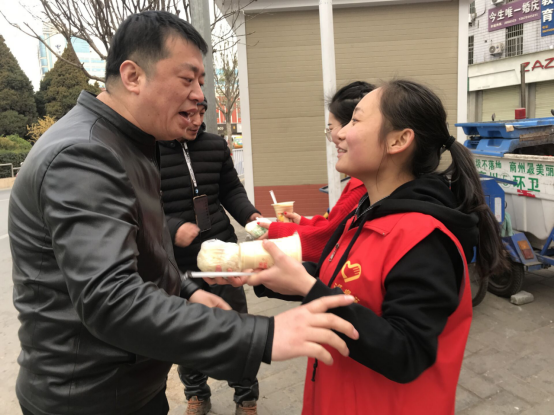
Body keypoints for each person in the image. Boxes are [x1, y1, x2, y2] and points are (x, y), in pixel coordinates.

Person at [8, 11, 359, 415]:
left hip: (129, 385)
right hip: (89, 397)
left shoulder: (132, 144)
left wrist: (187, 292)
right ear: (133, 76)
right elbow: (111, 298)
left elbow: (142, 252)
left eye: (201, 82)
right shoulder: (83, 155)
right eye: (187, 79)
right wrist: (263, 335)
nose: (198, 96)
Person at [245, 80, 506, 415]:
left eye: (355, 120)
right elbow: (343, 284)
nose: (339, 134)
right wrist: (271, 272)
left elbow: (406, 352)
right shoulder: (366, 213)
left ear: (398, 140)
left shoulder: (424, 238)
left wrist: (308, 288)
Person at [159, 100, 262, 415]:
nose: (196, 121)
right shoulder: (148, 150)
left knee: (237, 328)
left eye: (201, 113)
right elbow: (141, 207)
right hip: (180, 264)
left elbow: (231, 190)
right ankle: (196, 394)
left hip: (223, 254)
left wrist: (252, 217)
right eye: (187, 114)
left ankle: (246, 397)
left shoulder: (215, 145)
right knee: (186, 334)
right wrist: (172, 228)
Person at [259, 82, 374, 263]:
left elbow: (328, 240)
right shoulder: (360, 183)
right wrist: (303, 222)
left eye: (331, 128)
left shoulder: (365, 188)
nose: (338, 137)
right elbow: (333, 227)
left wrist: (278, 231)